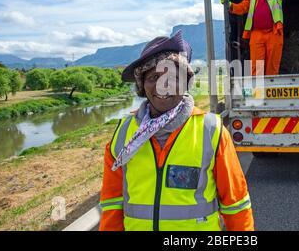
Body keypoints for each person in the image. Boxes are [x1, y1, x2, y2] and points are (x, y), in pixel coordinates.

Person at [99, 31, 254, 231]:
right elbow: (112, 204)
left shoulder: (211, 131)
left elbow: (236, 205)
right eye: (154, 76)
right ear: (142, 85)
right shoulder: (123, 136)